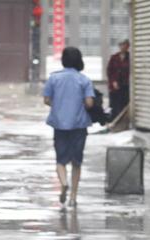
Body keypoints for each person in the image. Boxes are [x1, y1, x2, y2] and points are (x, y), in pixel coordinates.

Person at [43, 47, 95, 209]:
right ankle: (73, 196)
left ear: (64, 60)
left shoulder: (54, 79)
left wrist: (58, 106)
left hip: (59, 124)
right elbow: (89, 103)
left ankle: (63, 183)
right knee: (76, 162)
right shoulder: (84, 80)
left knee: (60, 160)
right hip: (79, 125)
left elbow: (46, 100)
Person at [106, 39, 130, 122]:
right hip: (115, 86)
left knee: (124, 104)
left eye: (125, 45)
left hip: (126, 85)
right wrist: (113, 81)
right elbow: (109, 71)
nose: (123, 47)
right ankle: (113, 121)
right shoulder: (114, 57)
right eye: (122, 45)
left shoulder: (130, 57)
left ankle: (123, 121)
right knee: (114, 105)